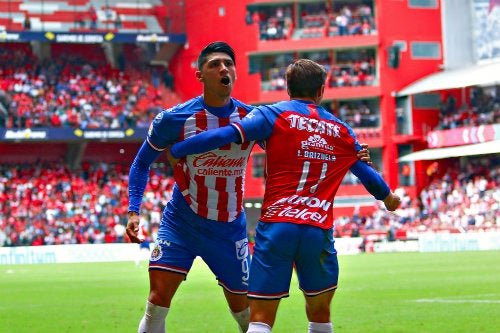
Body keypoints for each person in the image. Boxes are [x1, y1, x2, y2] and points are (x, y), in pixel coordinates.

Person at [167, 58, 401, 333]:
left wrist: (179, 148)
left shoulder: (272, 115)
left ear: (288, 88)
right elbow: (366, 174)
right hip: (317, 228)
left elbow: (224, 135)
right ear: (321, 91)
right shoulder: (341, 131)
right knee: (320, 314)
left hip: (277, 226)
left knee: (261, 318)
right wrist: (388, 198)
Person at [126, 41, 255, 333]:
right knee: (157, 301)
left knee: (245, 313)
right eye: (214, 64)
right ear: (200, 76)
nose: (224, 68)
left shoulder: (253, 118)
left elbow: (291, 142)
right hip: (182, 222)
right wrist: (134, 210)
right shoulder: (174, 119)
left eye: (228, 63)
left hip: (229, 227)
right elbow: (141, 163)